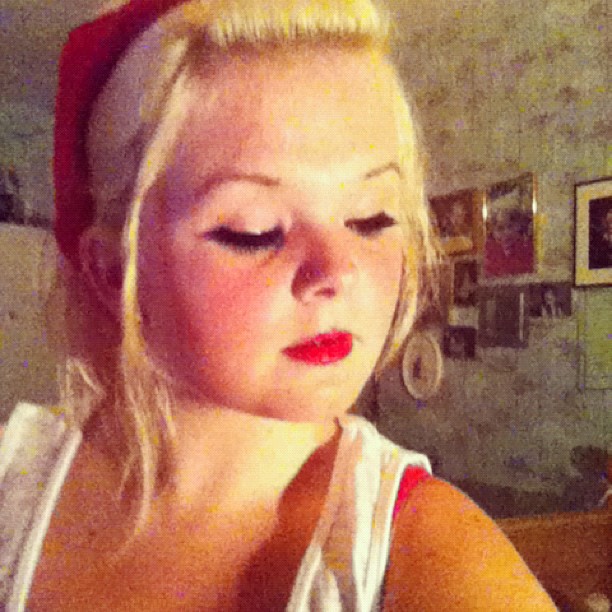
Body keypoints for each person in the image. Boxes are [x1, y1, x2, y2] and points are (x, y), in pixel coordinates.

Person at [0, 0, 556, 610]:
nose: (336, 272)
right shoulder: (11, 480)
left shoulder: (428, 551)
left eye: (372, 218)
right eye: (253, 230)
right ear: (114, 273)